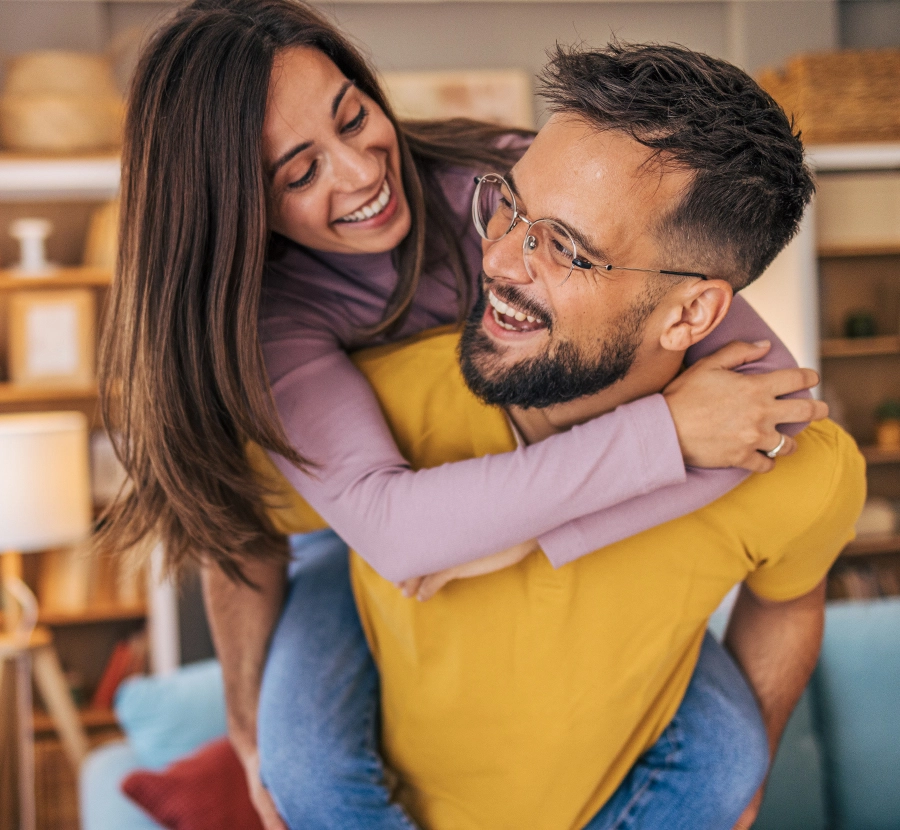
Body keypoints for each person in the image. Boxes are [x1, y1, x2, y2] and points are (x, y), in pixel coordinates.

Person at [98, 1, 824, 826]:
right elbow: (381, 534)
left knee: (727, 758)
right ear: (236, 207)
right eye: (299, 173)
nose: (361, 172)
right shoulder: (271, 316)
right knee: (304, 770)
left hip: (561, 498)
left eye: (353, 117)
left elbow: (773, 402)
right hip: (344, 545)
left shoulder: (503, 182)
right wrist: (667, 435)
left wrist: (527, 540)